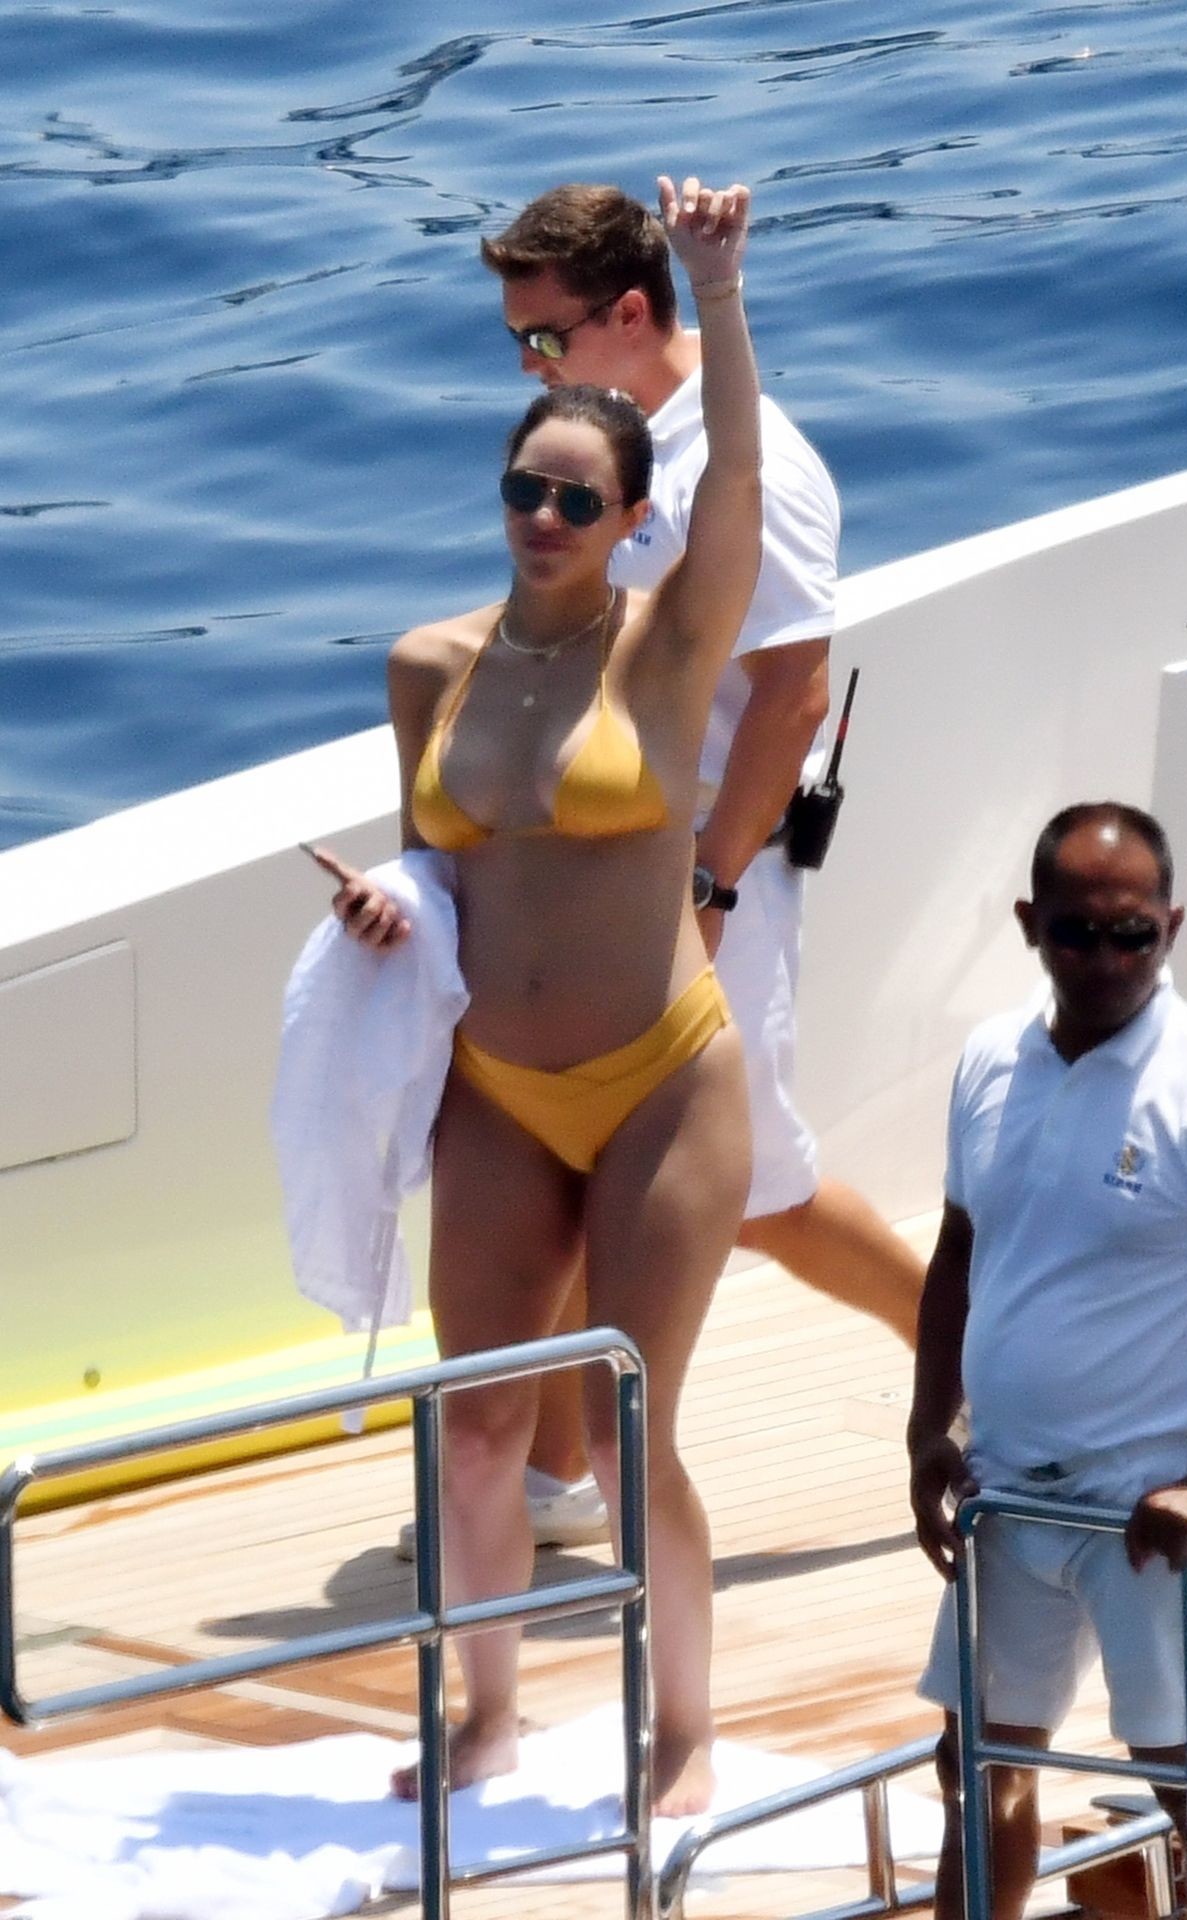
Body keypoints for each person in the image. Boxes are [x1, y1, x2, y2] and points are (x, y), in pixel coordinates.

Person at [321, 175, 759, 1818]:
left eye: (580, 500)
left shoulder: (668, 646)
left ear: (635, 518)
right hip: (496, 1087)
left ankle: (683, 1732)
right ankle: (487, 1718)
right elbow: (440, 863)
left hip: (661, 1078)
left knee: (636, 1433)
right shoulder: (427, 667)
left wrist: (718, 292)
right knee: (477, 1433)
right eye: (527, 489)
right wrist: (387, 904)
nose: (546, 518)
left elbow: (740, 492)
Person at [478, 181, 924, 1537]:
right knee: (574, 1142)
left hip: (710, 876)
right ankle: (553, 1473)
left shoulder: (748, 465)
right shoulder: (606, 449)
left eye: (544, 337)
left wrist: (712, 885)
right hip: (611, 868)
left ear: (629, 313)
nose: (528, 366)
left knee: (758, 1187)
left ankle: (969, 1358)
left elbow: (791, 696)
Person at [907, 802, 1187, 1920]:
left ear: (1172, 927)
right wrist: (929, 1428)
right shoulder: (989, 1059)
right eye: (1077, 932)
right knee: (977, 1776)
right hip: (1006, 1494)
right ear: (1031, 925)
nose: (1106, 958)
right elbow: (958, 1248)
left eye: (1133, 935)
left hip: (1149, 1514)